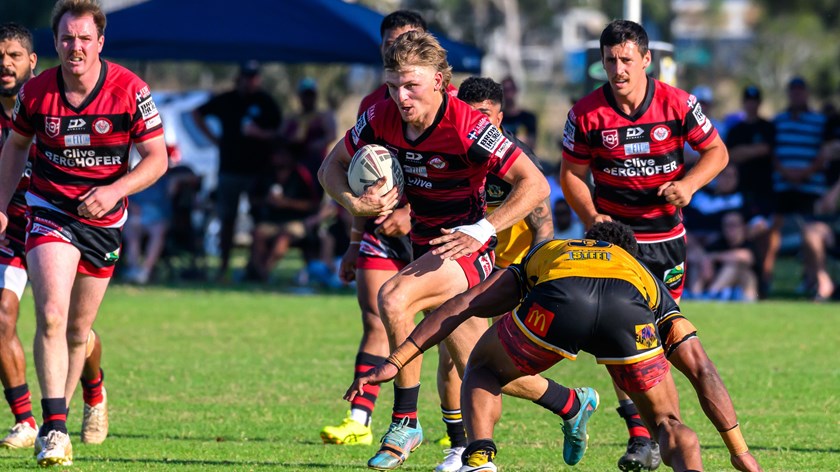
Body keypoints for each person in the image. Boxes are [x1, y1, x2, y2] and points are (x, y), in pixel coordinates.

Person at [347, 222, 762, 472]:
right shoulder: (643, 275)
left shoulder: (553, 250)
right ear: (628, 254)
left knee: (483, 367)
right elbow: (702, 369)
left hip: (563, 297)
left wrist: (398, 358)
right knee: (669, 424)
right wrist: (739, 451)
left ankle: (480, 457)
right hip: (628, 310)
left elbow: (464, 304)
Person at [318, 30, 550, 471]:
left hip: (467, 249)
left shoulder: (468, 125)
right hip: (426, 248)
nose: (400, 97)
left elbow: (535, 184)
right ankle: (572, 403)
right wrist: (354, 203)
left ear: (440, 81)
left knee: (393, 297)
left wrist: (482, 229)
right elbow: (330, 167)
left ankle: (405, 421)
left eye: (411, 85)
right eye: (393, 86)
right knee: (481, 364)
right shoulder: (381, 116)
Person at [0, 1, 168, 466]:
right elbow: (16, 147)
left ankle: (91, 393)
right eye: (67, 38)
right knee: (51, 315)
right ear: (55, 43)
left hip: (104, 222)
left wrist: (115, 190)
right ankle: (53, 429)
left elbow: (157, 159)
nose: (76, 47)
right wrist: (1, 204)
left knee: (78, 330)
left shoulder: (130, 90)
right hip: (50, 211)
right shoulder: (36, 93)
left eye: (84, 39)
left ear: (100, 42)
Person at [559, 20, 729, 471]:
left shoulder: (678, 104)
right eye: (610, 60)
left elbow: (717, 152)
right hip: (616, 247)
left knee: (663, 339)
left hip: (665, 241)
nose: (618, 69)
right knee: (621, 336)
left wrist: (689, 185)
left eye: (626, 60)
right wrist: (592, 217)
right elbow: (571, 175)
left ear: (646, 60)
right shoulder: (586, 114)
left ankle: (663, 428)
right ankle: (642, 435)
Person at [319, 10, 442, 471]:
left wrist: (410, 213)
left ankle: (460, 427)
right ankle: (361, 419)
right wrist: (356, 235)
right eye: (391, 42)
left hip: (436, 237)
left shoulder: (446, 103)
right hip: (377, 233)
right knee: (377, 316)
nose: (398, 48)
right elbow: (357, 171)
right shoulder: (375, 104)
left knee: (449, 336)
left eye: (408, 39)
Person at [0, 20, 111, 453]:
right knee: (4, 317)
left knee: (72, 329)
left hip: (60, 224)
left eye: (13, 56)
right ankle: (27, 421)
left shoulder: (52, 100)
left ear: (32, 60)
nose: (5, 64)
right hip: (13, 229)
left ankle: (94, 389)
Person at [192, 60, 282, 282]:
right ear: (239, 78)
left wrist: (260, 134)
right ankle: (223, 268)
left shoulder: (266, 101)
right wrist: (214, 140)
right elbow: (197, 113)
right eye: (246, 77)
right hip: (230, 170)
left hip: (257, 172)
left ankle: (254, 269)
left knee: (258, 221)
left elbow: (279, 132)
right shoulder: (227, 99)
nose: (250, 81)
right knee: (227, 220)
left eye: (254, 77)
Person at [763, 77, 828, 297]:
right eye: (793, 91)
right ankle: (766, 278)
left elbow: (824, 151)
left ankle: (812, 280)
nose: (796, 95)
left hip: (811, 187)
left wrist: (807, 172)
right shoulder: (778, 121)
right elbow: (772, 152)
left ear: (806, 93)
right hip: (783, 185)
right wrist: (785, 172)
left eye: (800, 91)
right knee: (774, 229)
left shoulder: (818, 121)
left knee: (810, 233)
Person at [244, 139, 321, 282]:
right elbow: (253, 199)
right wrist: (267, 201)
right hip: (270, 221)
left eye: (283, 155)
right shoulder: (266, 174)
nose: (279, 158)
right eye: (277, 155)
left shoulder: (301, 175)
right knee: (258, 235)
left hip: (295, 222)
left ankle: (264, 273)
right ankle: (258, 272)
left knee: (283, 238)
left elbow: (312, 204)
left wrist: (287, 203)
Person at [725, 85, 775, 298]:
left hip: (764, 194)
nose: (751, 104)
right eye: (748, 100)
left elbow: (767, 149)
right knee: (738, 233)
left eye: (755, 100)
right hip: (740, 194)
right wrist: (755, 150)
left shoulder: (767, 127)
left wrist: (743, 152)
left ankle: (763, 280)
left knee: (763, 234)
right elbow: (730, 156)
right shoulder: (736, 130)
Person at [281, 77, 337, 179]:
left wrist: (318, 144)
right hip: (294, 164)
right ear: (300, 96)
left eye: (310, 95)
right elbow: (281, 135)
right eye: (305, 95)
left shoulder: (323, 116)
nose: (308, 98)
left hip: (316, 163)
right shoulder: (291, 118)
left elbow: (332, 135)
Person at [500, 76, 538, 150]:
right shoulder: (497, 117)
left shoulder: (528, 118)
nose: (508, 94)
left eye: (510, 89)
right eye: (505, 90)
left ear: (516, 90)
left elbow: (532, 143)